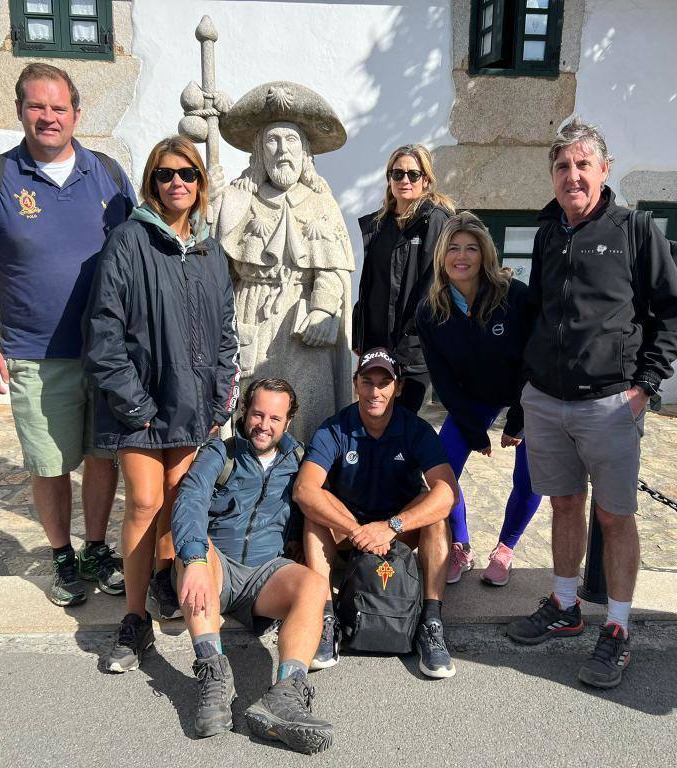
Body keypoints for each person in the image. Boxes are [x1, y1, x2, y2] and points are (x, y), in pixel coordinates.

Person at [507, 117, 677, 688]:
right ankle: (565, 606)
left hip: (610, 402)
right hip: (546, 399)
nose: (572, 175)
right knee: (563, 505)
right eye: (562, 166)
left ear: (604, 170)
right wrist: (524, 393)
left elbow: (673, 313)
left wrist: (646, 388)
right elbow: (536, 312)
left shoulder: (634, 230)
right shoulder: (546, 233)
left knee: (614, 516)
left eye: (583, 164)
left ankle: (617, 627)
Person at [0, 63, 136, 607]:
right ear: (19, 111)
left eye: (59, 108)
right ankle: (62, 556)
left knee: (104, 457)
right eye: (37, 106)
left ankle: (98, 548)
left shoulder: (107, 173)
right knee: (49, 463)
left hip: (107, 352)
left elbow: (137, 252)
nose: (49, 117)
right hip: (35, 353)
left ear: (77, 113)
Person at [83, 135, 240, 673]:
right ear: (152, 182)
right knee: (146, 502)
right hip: (143, 402)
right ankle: (134, 619)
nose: (178, 182)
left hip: (195, 404)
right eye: (166, 174)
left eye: (188, 174)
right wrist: (134, 403)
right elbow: (103, 330)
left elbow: (225, 333)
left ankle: (165, 577)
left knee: (179, 501)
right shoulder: (129, 241)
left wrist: (221, 395)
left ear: (200, 184)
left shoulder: (211, 252)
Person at [169, 378, 333, 755]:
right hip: (218, 567)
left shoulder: (296, 459)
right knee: (196, 550)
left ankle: (285, 696)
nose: (264, 424)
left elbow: (312, 505)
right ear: (244, 412)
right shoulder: (220, 453)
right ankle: (213, 674)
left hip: (265, 573)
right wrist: (193, 559)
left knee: (312, 585)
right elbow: (190, 501)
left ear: (288, 422)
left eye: (275, 417)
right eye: (257, 413)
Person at [295, 348, 459, 679]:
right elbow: (304, 489)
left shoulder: (415, 429)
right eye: (367, 382)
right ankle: (325, 618)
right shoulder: (335, 428)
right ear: (356, 384)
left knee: (436, 513)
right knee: (315, 508)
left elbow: (447, 492)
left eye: (384, 383)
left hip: (397, 531)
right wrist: (359, 530)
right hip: (349, 530)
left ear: (397, 387)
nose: (375, 391)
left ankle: (431, 621)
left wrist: (390, 527)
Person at [212, 81, 356, 443]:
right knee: (252, 414)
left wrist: (324, 311)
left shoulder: (321, 202)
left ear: (305, 150)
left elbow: (332, 270)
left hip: (303, 321)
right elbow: (216, 269)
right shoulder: (238, 198)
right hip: (250, 316)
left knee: (309, 413)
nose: (282, 150)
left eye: (291, 141)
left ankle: (308, 488)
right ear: (260, 150)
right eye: (273, 141)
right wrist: (214, 203)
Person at [415, 211, 542, 586]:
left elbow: (533, 358)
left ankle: (505, 548)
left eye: (471, 248)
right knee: (441, 471)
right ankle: (461, 544)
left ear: (485, 254)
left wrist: (518, 419)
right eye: (453, 248)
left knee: (530, 475)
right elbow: (442, 378)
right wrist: (472, 429)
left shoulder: (514, 297)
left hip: (526, 392)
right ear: (442, 256)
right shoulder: (431, 309)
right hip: (472, 396)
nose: (462, 256)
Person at [352, 144, 454, 413]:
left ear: (426, 180)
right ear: (389, 178)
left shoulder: (435, 220)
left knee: (404, 423)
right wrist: (360, 337)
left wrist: (412, 339)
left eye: (413, 174)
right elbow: (369, 286)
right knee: (375, 418)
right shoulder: (378, 225)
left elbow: (434, 286)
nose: (404, 180)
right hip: (376, 345)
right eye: (397, 174)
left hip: (412, 350)